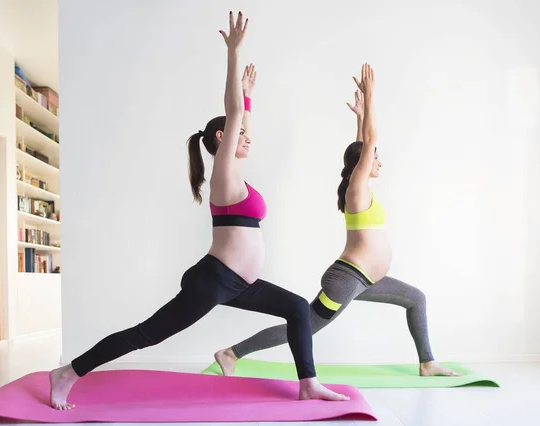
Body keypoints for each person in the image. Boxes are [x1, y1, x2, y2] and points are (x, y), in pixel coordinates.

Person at [48, 11, 349, 411]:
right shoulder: (223, 174)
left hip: (240, 282)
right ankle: (68, 373)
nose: (248, 139)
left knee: (297, 307)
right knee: (147, 334)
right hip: (214, 280)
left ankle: (308, 384)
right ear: (222, 138)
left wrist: (249, 98)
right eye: (240, 133)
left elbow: (242, 120)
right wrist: (234, 56)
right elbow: (234, 115)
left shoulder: (237, 174)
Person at [214, 63, 461, 378]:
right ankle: (232, 353)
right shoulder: (357, 190)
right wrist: (371, 99)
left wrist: (359, 118)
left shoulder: (360, 187)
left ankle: (427, 363)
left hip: (367, 279)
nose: (379, 160)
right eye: (376, 156)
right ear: (364, 163)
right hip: (347, 279)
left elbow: (361, 146)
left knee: (416, 299)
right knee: (310, 325)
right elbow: (368, 144)